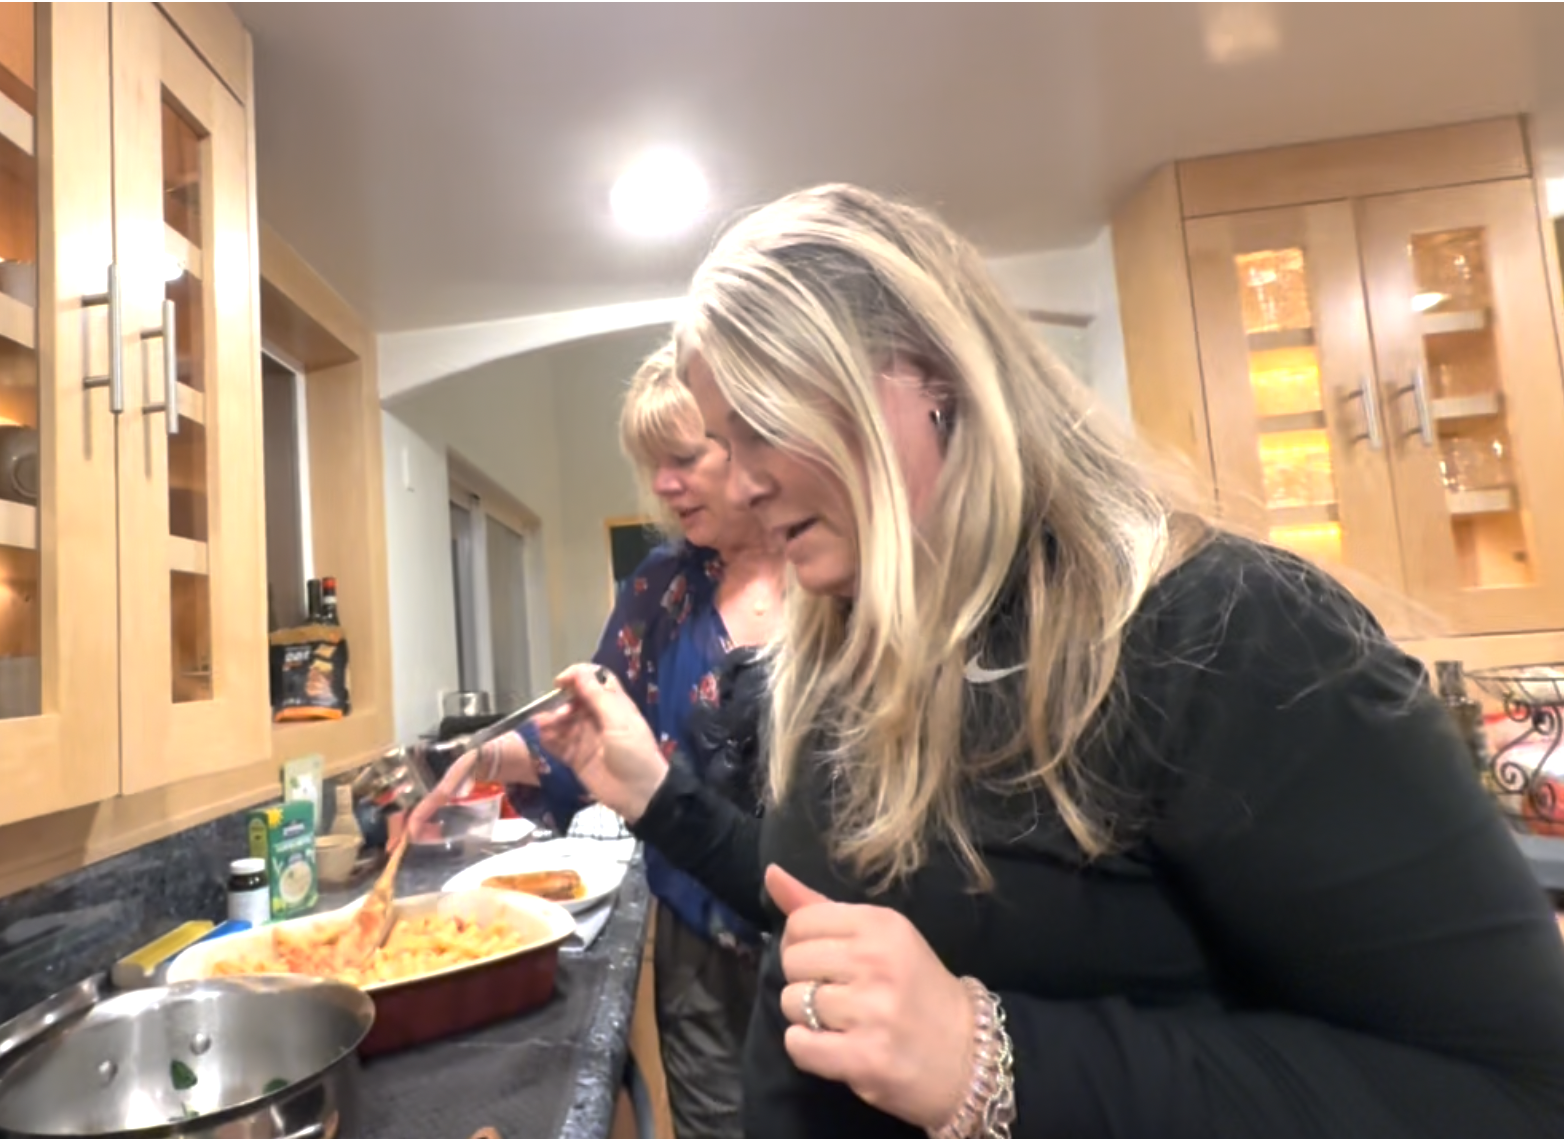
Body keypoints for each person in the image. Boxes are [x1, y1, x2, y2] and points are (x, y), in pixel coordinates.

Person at [534, 183, 1564, 1139]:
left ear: (930, 371)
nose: (741, 481)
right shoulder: (845, 652)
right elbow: (827, 919)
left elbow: (1508, 1088)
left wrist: (994, 1056)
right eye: (721, 439)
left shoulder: (1222, 634)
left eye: (762, 423)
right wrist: (651, 794)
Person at [410, 345, 786, 1139]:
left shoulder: (833, 564)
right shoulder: (661, 588)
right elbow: (577, 742)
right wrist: (477, 756)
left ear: (751, 439)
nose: (662, 485)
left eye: (683, 457)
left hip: (832, 929)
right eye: (652, 464)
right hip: (698, 941)